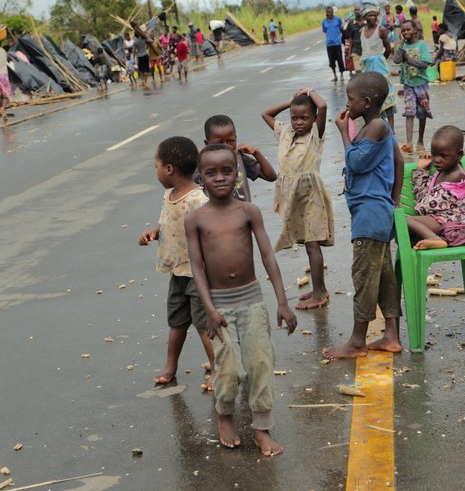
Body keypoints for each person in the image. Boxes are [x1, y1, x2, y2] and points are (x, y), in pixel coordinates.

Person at [185, 144, 297, 456]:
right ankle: (225, 414)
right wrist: (208, 309)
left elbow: (266, 256)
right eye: (211, 172)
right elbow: (197, 267)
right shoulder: (195, 219)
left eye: (226, 170)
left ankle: (262, 428)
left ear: (237, 175)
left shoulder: (248, 212)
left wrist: (282, 302)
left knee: (261, 363)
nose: (219, 177)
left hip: (252, 300)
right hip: (218, 304)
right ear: (201, 178)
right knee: (230, 368)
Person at [323, 72, 404, 360]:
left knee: (364, 277)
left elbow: (356, 162)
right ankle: (391, 335)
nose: (347, 103)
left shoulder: (376, 126)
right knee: (383, 277)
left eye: (351, 99)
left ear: (367, 102)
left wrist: (344, 132)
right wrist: (393, 203)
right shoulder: (378, 126)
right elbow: (399, 160)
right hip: (375, 210)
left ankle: (357, 342)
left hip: (370, 212)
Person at [139, 136, 216, 390]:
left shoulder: (197, 199)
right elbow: (165, 221)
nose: (156, 171)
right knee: (177, 321)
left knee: (204, 325)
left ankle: (218, 370)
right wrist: (154, 232)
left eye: (157, 166)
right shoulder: (168, 194)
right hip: (178, 272)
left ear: (169, 169)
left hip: (198, 274)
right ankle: (171, 366)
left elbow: (210, 232)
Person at [261, 88, 335, 310]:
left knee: (313, 244)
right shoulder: (284, 131)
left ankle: (320, 293)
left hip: (311, 195)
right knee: (305, 242)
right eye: (295, 117)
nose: (299, 122)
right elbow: (266, 114)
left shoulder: (315, 134)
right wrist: (290, 102)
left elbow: (322, 106)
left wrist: (309, 92)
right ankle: (317, 286)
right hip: (292, 197)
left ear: (313, 118)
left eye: (305, 117)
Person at [406, 126, 465, 250]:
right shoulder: (443, 172)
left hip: (449, 222)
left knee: (403, 221)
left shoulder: (455, 176)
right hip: (440, 220)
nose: (436, 160)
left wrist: (420, 172)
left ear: (459, 155)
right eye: (433, 154)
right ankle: (434, 240)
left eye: (443, 156)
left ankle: (434, 238)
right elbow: (426, 197)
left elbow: (423, 205)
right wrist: (422, 171)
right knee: (409, 236)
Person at [196, 115, 277, 202]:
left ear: (236, 139)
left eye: (230, 141)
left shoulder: (239, 157)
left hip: (242, 213)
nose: (226, 146)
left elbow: (271, 176)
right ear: (207, 143)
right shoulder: (202, 163)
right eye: (219, 143)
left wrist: (256, 153)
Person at [393, 20, 433, 152]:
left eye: (408, 29)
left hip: (421, 84)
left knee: (422, 113)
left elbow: (425, 63)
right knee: (409, 112)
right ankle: (409, 143)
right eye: (403, 30)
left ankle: (420, 141)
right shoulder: (403, 46)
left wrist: (409, 59)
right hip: (408, 85)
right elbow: (396, 60)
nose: (405, 32)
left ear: (415, 30)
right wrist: (401, 45)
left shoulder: (421, 45)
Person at [359, 4, 397, 134]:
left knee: (386, 99)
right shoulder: (362, 31)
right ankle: (378, 130)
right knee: (372, 99)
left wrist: (380, 60)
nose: (373, 17)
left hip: (380, 66)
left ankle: (391, 132)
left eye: (375, 15)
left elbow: (388, 49)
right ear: (365, 17)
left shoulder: (380, 29)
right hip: (367, 68)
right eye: (370, 15)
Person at [322, 6, 345, 81]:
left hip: (337, 43)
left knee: (340, 60)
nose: (329, 14)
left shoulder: (338, 19)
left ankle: (341, 75)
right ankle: (335, 75)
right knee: (331, 61)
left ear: (333, 12)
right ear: (326, 13)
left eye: (331, 13)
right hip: (329, 44)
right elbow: (325, 30)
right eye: (328, 13)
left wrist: (337, 36)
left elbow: (341, 28)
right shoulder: (324, 22)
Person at [344, 5, 364, 76]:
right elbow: (351, 39)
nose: (356, 11)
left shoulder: (366, 22)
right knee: (358, 73)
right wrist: (349, 53)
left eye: (358, 10)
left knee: (367, 73)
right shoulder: (351, 24)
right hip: (356, 51)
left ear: (362, 11)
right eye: (355, 10)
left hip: (366, 50)